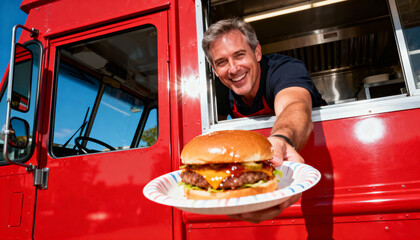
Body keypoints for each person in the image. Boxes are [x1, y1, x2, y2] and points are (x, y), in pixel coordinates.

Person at [202, 18, 325, 223]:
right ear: (215, 70)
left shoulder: (285, 69)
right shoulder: (220, 92)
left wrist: (281, 139)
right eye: (221, 62)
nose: (233, 69)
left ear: (257, 52)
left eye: (239, 55)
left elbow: (294, 106)